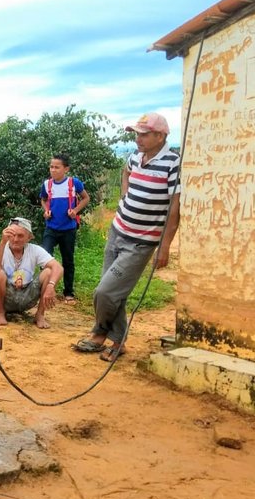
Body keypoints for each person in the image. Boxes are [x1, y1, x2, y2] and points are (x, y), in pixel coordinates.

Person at [74, 112, 181, 362]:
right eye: (136, 134)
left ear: (160, 136)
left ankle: (101, 332)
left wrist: (165, 246)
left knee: (105, 292)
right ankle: (114, 340)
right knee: (114, 291)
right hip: (117, 231)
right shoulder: (135, 156)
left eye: (144, 134)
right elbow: (126, 171)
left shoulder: (172, 163)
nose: (137, 139)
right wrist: (125, 195)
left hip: (141, 242)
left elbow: (175, 208)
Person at [0, 217, 63, 329]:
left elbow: (58, 267)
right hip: (5, 297)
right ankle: (0, 313)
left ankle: (40, 315)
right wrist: (3, 243)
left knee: (48, 272)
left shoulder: (35, 250)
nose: (15, 239)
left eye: (20, 236)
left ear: (29, 238)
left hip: (26, 297)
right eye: (12, 235)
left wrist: (51, 286)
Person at [39, 153, 89, 304]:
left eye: (57, 167)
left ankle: (68, 292)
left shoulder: (74, 183)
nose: (53, 170)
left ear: (66, 169)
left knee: (68, 260)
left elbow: (86, 198)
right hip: (51, 228)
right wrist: (46, 211)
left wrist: (75, 211)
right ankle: (42, 289)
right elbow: (43, 200)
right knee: (44, 257)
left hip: (68, 228)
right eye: (51, 167)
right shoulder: (47, 184)